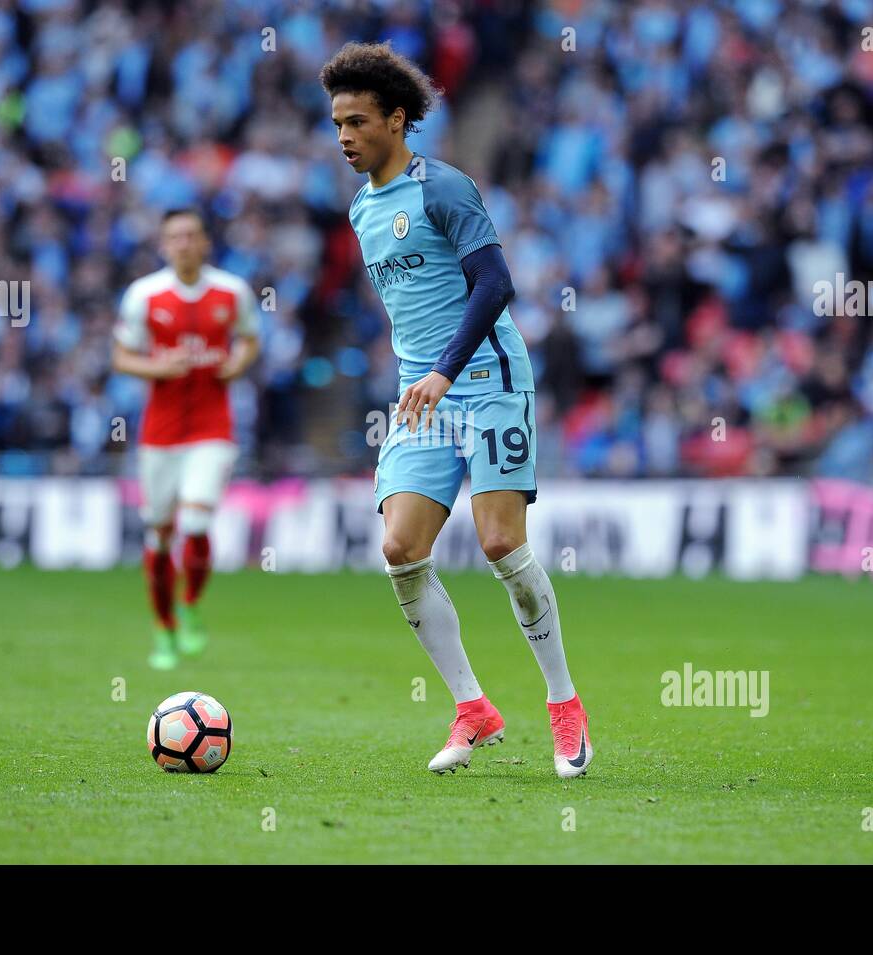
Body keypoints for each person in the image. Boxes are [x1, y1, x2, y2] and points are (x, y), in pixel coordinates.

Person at [321, 42, 592, 777]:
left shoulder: (441, 187)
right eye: (337, 122)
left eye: (357, 121)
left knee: (502, 543)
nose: (343, 135)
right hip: (423, 394)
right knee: (400, 549)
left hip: (490, 380)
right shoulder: (360, 210)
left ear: (398, 120)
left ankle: (564, 704)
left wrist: (446, 369)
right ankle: (473, 706)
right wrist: (424, 374)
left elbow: (495, 283)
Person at [112, 209, 261, 669]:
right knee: (159, 534)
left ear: (204, 242)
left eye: (191, 235)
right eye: (174, 237)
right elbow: (121, 356)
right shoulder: (144, 294)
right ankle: (164, 629)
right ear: (164, 245)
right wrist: (157, 367)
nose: (183, 243)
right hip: (160, 433)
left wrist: (237, 364)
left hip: (213, 429)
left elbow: (250, 341)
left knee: (194, 523)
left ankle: (190, 604)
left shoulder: (232, 291)